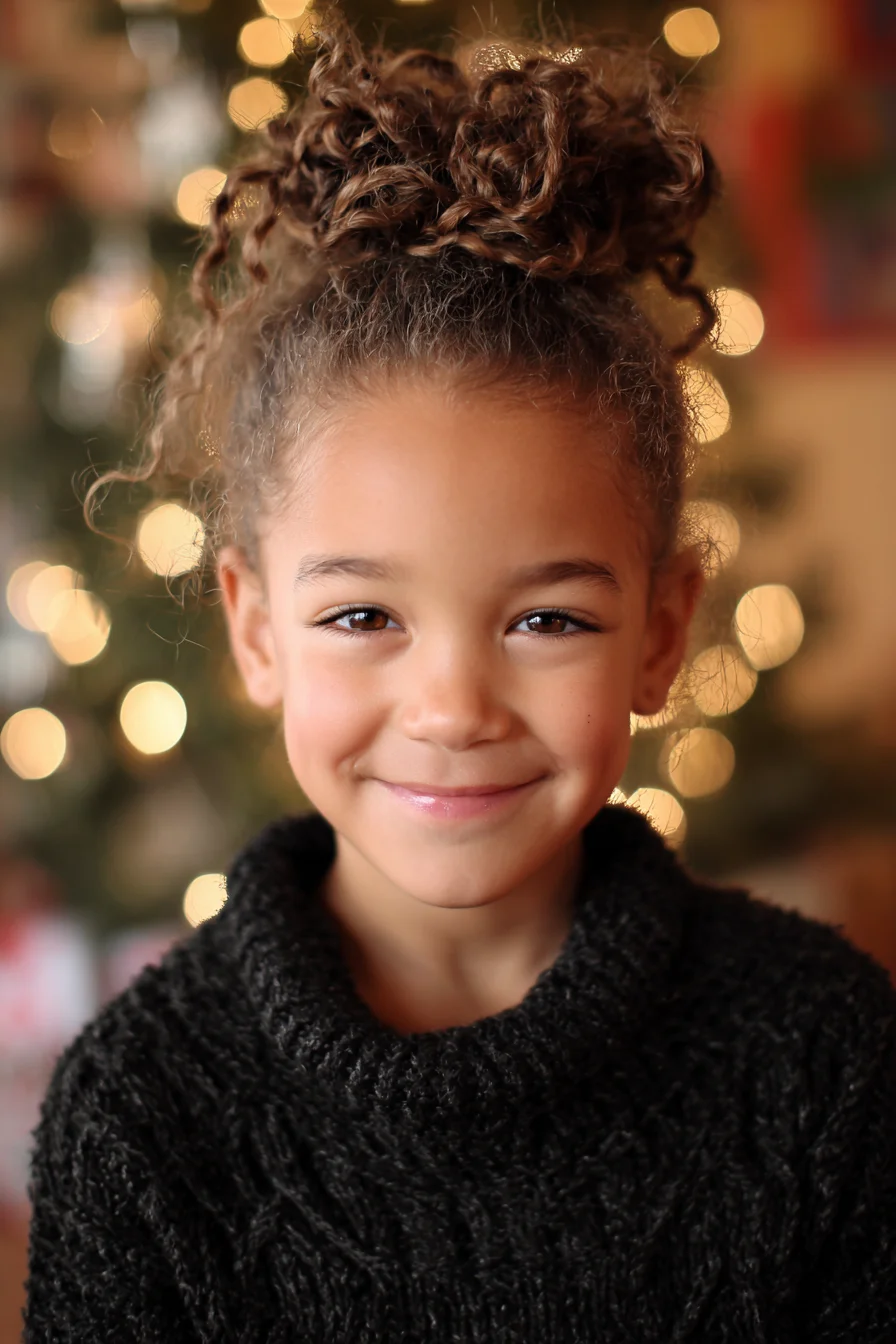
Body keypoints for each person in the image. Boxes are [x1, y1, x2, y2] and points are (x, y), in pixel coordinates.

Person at [22, 6, 896, 1340]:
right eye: (363, 615)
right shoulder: (138, 1111)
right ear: (256, 630)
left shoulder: (826, 1054)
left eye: (546, 621)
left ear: (664, 631)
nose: (452, 709)